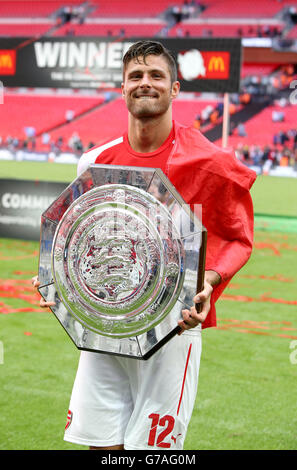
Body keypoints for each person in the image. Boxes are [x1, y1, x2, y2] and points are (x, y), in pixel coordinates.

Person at [33, 40, 256, 450]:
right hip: (105, 327)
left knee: (150, 453)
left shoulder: (210, 162)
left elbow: (238, 235)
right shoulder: (95, 163)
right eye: (135, 76)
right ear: (122, 89)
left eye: (156, 75)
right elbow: (85, 239)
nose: (145, 83)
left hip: (172, 329)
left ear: (174, 89)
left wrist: (208, 281)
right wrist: (60, 281)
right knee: (99, 444)